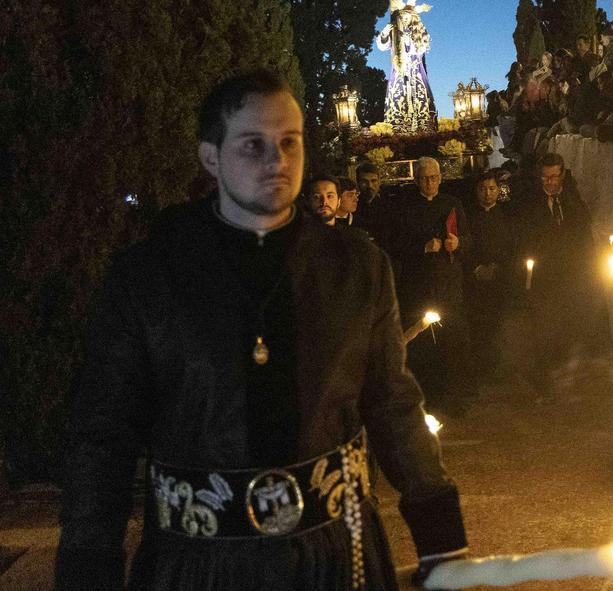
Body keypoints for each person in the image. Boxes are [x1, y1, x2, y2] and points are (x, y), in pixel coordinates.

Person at [55, 71, 467, 591]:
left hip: (336, 558)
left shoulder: (356, 267)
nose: (277, 161)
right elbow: (103, 435)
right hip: (198, 566)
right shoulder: (149, 277)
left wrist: (441, 537)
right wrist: (88, 567)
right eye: (253, 145)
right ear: (211, 157)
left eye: (289, 142)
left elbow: (391, 402)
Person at [515, 153, 606, 397]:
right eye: (545, 177)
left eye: (554, 177)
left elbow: (583, 232)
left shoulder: (571, 199)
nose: (550, 182)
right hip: (546, 277)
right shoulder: (531, 203)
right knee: (547, 328)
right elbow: (527, 236)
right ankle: (548, 378)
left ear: (562, 175)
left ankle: (576, 375)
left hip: (573, 275)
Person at [396, 157, 473, 414]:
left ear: (440, 178)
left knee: (452, 342)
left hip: (448, 286)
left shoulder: (452, 204)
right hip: (418, 287)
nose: (429, 183)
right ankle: (425, 398)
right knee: (423, 345)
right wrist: (423, 247)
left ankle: (455, 398)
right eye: (424, 178)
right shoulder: (405, 207)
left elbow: (469, 240)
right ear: (416, 179)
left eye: (433, 178)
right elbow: (395, 244)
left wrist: (457, 244)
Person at [463, 171, 515, 383]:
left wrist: (497, 268)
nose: (487, 194)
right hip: (474, 280)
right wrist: (476, 268)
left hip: (499, 278)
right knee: (477, 324)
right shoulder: (467, 216)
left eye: (492, 189)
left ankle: (499, 367)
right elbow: (465, 247)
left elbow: (511, 247)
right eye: (483, 189)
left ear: (498, 190)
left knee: (498, 323)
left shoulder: (506, 216)